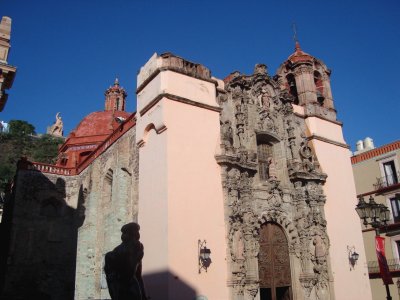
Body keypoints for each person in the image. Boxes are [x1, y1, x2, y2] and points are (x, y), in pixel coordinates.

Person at [104, 222, 147, 300]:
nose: (136, 237)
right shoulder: (119, 252)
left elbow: (138, 275)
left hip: (131, 285)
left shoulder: (138, 248)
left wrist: (144, 296)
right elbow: (127, 274)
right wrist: (136, 259)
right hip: (121, 286)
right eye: (133, 234)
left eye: (136, 234)